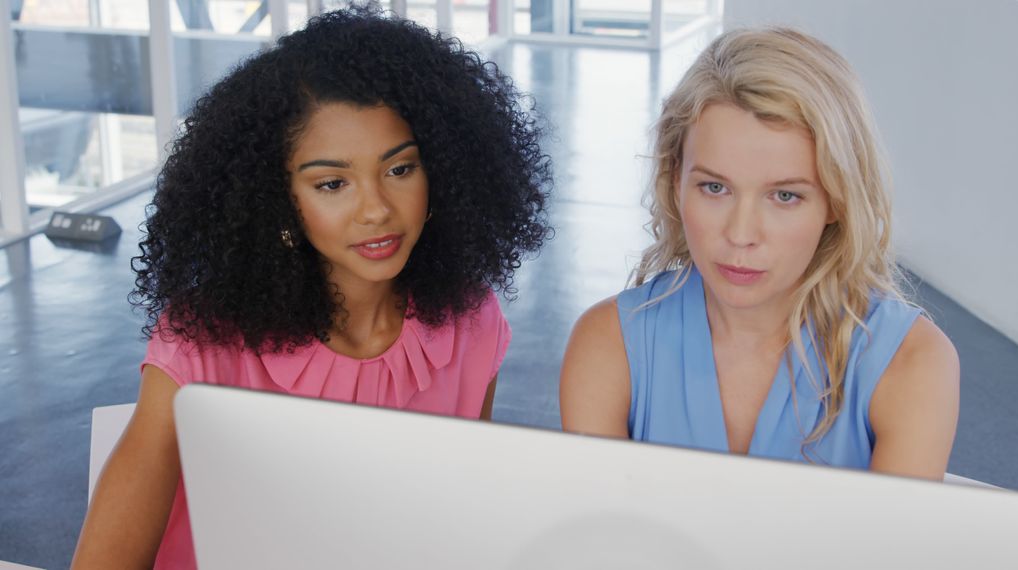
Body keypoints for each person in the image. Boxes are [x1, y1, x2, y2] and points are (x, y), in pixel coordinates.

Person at [73, 5, 551, 568]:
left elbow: (458, 524)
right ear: (279, 200)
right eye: (332, 183)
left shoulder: (470, 323)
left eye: (400, 169)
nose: (376, 210)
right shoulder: (202, 347)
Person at [560, 28, 959, 479]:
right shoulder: (607, 345)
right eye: (714, 187)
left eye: (784, 196)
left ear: (837, 200)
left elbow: (894, 551)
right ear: (676, 181)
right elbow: (603, 542)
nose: (741, 234)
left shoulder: (913, 362)